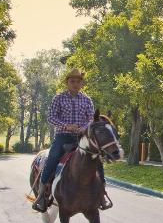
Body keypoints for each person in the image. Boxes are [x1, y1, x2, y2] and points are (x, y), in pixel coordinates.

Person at [32, 69, 107, 212]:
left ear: (81, 84)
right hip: (63, 136)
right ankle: (41, 195)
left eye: (78, 81)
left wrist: (82, 128)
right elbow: (51, 117)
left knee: (96, 159)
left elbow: (91, 119)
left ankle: (101, 194)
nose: (75, 84)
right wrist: (66, 125)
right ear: (67, 82)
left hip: (81, 137)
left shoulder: (87, 100)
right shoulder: (58, 98)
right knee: (52, 158)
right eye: (72, 81)